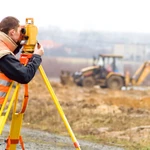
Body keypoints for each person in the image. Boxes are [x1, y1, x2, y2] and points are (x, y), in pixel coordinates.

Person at [0, 16, 44, 104]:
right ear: (12, 32)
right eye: (20, 31)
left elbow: (10, 55)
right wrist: (36, 57)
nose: (22, 34)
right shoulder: (3, 54)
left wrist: (20, 42)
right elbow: (24, 76)